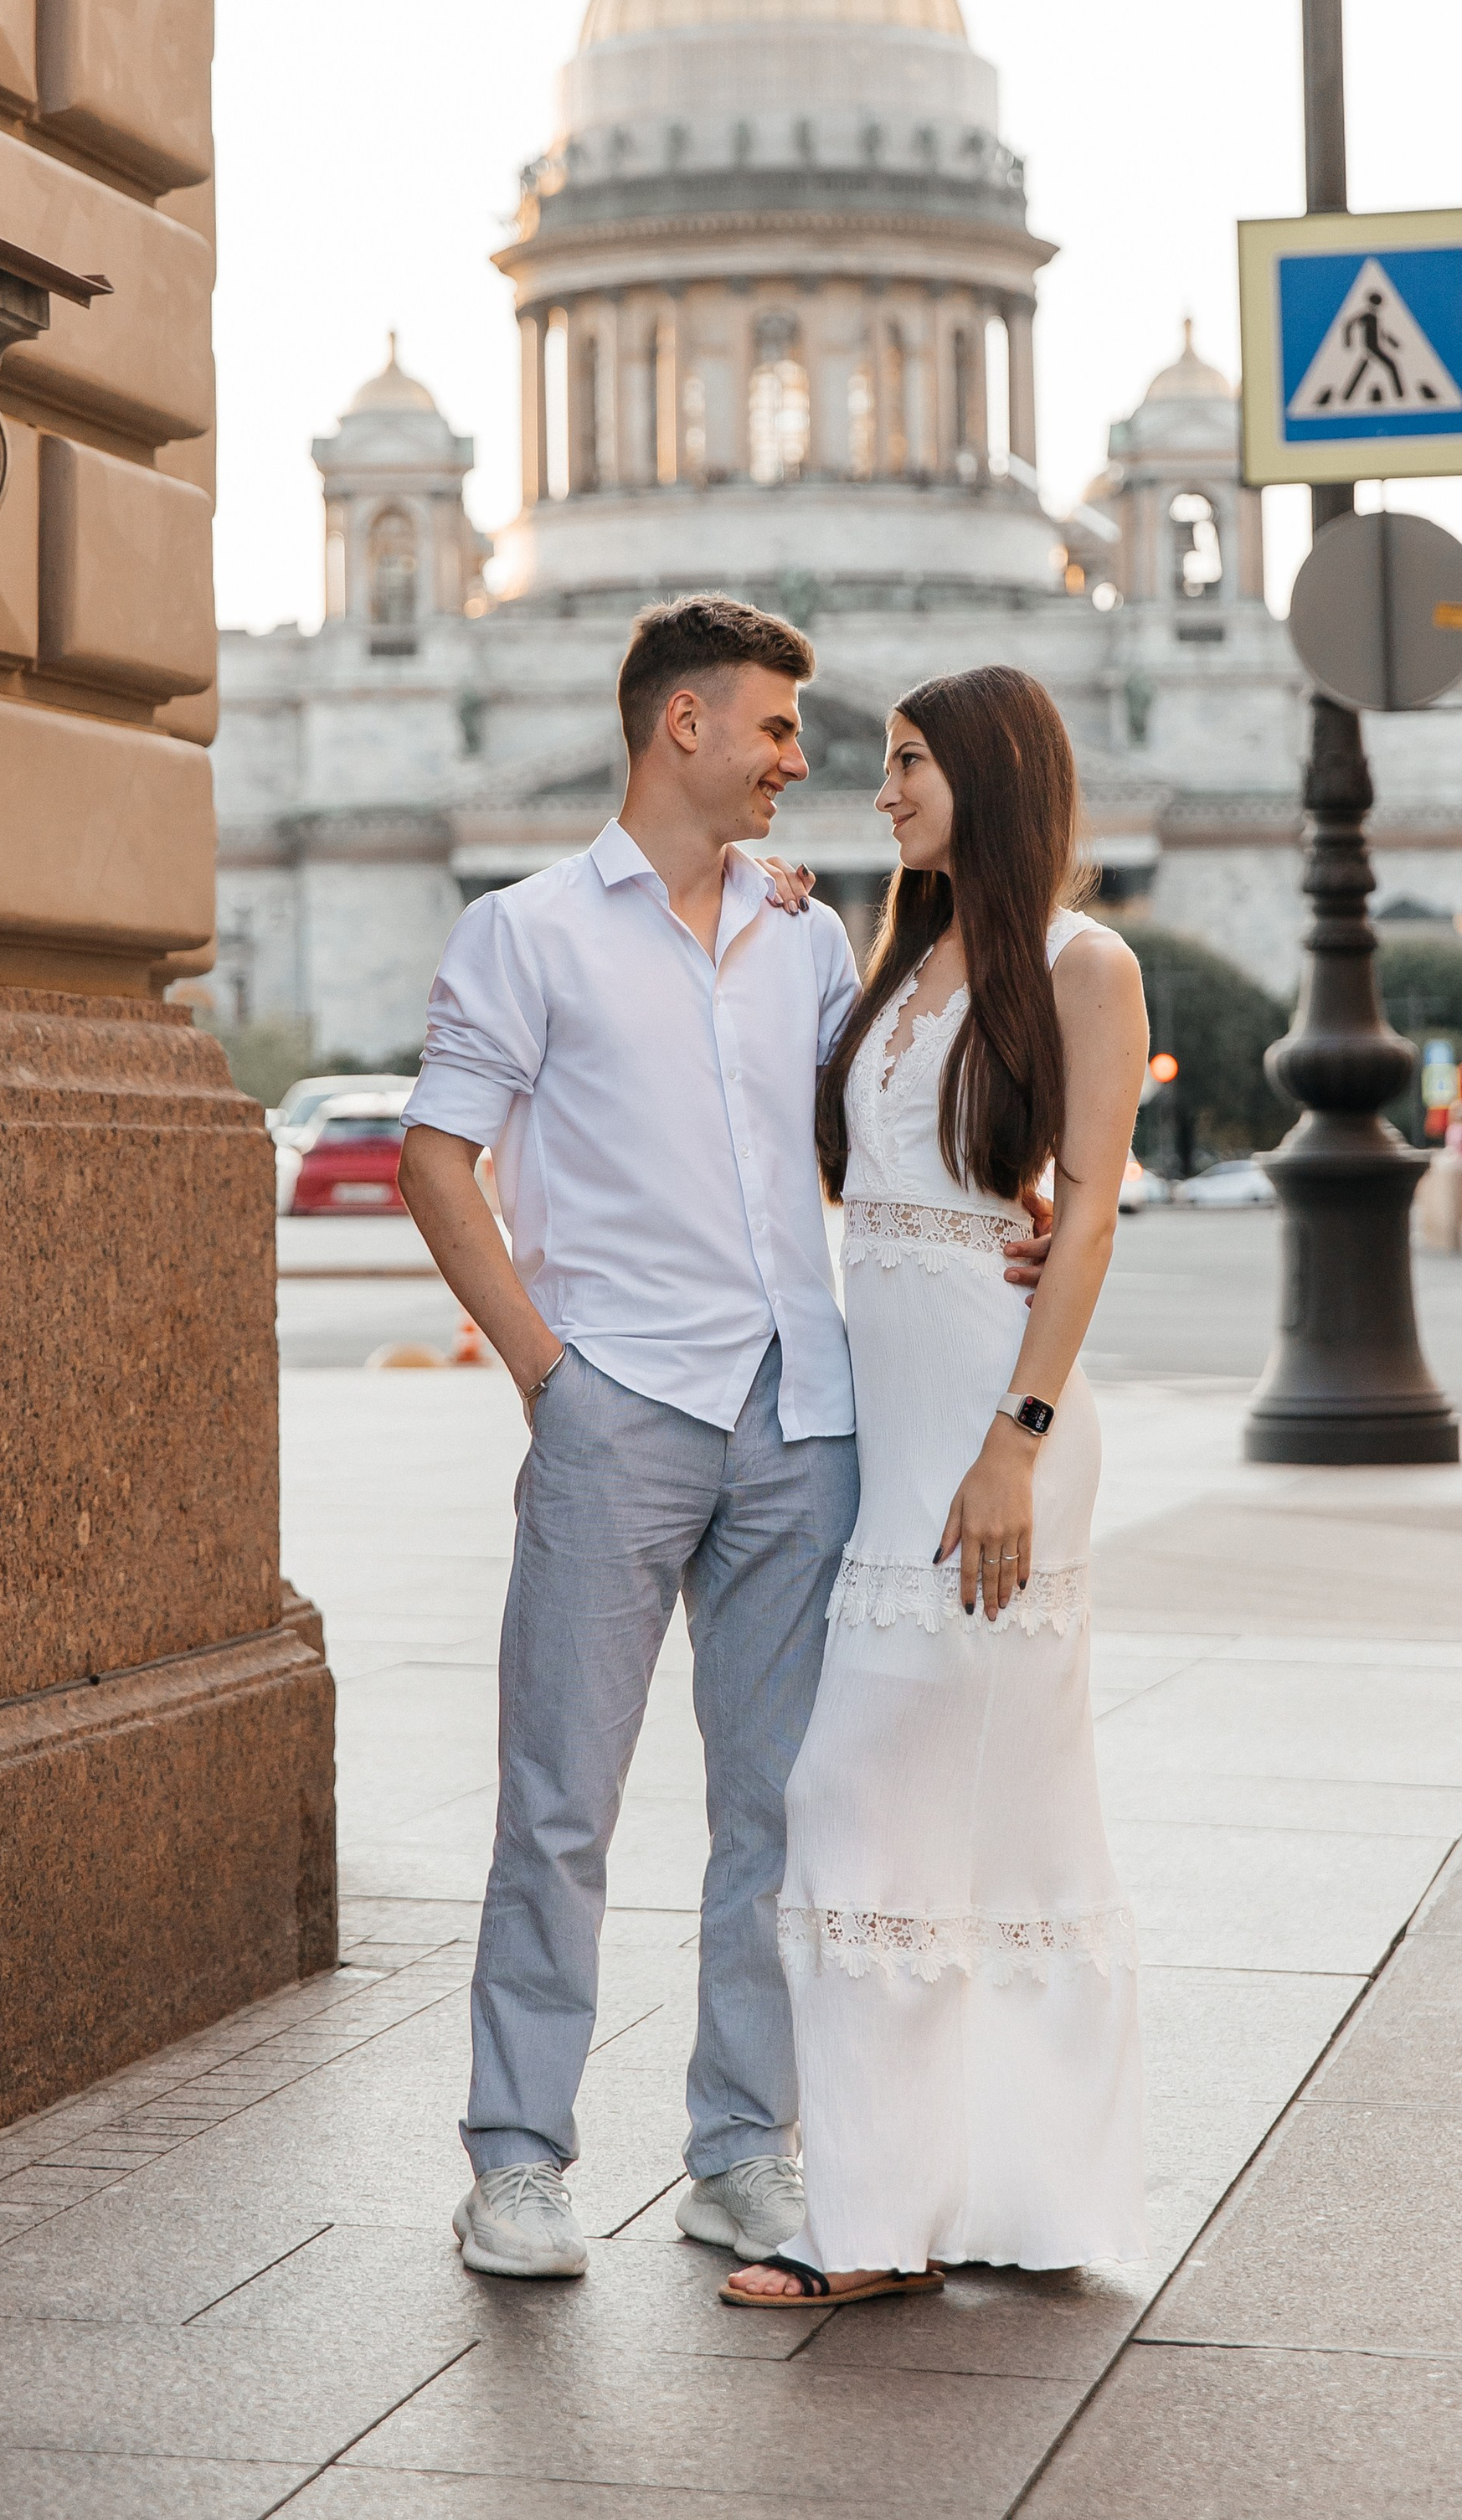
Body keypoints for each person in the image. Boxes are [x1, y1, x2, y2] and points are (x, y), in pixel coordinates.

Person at [395, 595, 1048, 2284]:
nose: (793, 763)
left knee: (778, 1805)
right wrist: (550, 1375)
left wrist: (1009, 1218)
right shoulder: (524, 931)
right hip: (619, 1408)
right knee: (560, 1804)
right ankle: (518, 2162)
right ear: (680, 726)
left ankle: (743, 2148)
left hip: (798, 1420)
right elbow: (435, 1159)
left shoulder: (804, 937)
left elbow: (865, 1146)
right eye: (770, 729)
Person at [725, 667, 1149, 2309]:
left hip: (991, 1434)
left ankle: (870, 2227)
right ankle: (989, 2207)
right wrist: (765, 925)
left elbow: (1091, 1215)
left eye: (906, 762)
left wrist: (1013, 1442)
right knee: (968, 1828)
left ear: (986, 770)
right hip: (887, 1422)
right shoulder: (890, 960)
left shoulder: (1081, 962)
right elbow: (851, 1170)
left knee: (861, 1797)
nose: (878, 787)